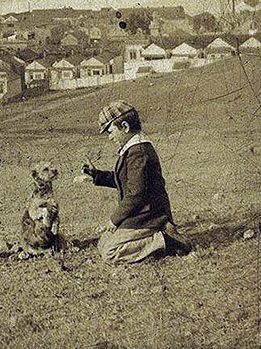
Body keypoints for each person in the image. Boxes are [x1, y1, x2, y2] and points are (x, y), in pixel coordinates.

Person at [81, 100, 191, 263]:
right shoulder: (132, 149)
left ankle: (166, 240)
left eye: (110, 131)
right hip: (139, 213)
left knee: (110, 252)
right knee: (103, 242)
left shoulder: (138, 153)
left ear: (124, 127)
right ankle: (157, 238)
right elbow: (127, 181)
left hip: (149, 215)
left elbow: (136, 194)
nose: (110, 137)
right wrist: (96, 176)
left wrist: (115, 219)